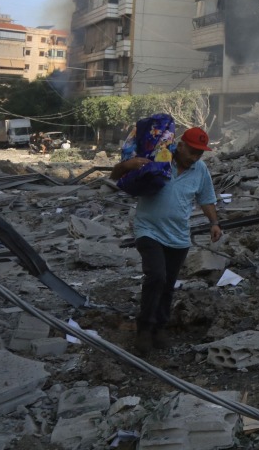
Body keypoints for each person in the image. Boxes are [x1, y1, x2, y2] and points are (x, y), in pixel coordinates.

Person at [110, 125, 222, 353]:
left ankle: (160, 327)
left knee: (168, 284)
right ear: (180, 145)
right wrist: (126, 165)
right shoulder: (158, 158)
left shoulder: (200, 170)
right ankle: (144, 329)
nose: (194, 157)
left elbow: (206, 198)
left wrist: (214, 223)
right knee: (156, 276)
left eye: (199, 153)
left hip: (179, 236)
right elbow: (115, 176)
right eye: (191, 151)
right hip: (148, 229)